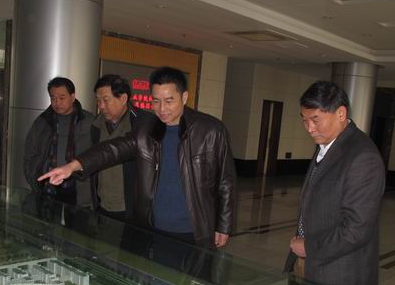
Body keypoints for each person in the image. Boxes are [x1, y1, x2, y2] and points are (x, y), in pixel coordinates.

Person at [38, 66, 236, 250]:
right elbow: (113, 149)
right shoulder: (147, 130)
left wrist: (223, 225)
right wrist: (72, 166)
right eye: (156, 101)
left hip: (195, 229)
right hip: (154, 227)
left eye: (169, 101)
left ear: (184, 97)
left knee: (195, 276)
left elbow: (225, 181)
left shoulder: (210, 130)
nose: (162, 109)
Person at [283, 80, 385, 285]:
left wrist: (308, 247)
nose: (309, 128)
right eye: (304, 120)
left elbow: (356, 230)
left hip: (339, 282)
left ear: (341, 113)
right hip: (309, 270)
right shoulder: (328, 145)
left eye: (315, 119)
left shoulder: (363, 157)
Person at [23, 77, 94, 207]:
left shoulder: (89, 121)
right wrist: (32, 178)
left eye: (62, 98)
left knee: (78, 219)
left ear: (72, 97)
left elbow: (97, 154)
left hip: (79, 187)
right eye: (53, 98)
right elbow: (29, 152)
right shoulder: (43, 121)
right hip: (48, 186)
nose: (57, 103)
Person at [91, 74, 153, 221]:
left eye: (106, 100)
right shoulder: (95, 124)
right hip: (102, 204)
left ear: (123, 98)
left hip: (132, 209)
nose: (101, 106)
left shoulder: (144, 123)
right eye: (98, 100)